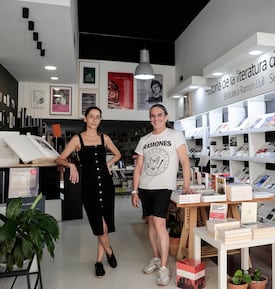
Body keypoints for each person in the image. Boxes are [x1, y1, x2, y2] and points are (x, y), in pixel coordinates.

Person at [55, 106, 121, 278]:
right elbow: (59, 159)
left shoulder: (104, 138)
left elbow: (118, 154)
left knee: (104, 226)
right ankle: (110, 252)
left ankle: (98, 261)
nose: (94, 120)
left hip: (106, 186)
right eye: (91, 116)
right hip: (89, 188)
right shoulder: (78, 139)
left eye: (97, 117)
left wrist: (109, 164)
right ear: (85, 119)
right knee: (100, 226)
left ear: (100, 119)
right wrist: (71, 165)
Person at [131, 103, 192, 286]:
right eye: (152, 115)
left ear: (165, 117)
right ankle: (156, 258)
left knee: (159, 222)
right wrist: (134, 190)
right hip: (145, 187)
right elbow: (139, 168)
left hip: (164, 187)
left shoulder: (175, 135)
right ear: (150, 118)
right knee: (151, 222)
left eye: (159, 115)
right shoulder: (144, 139)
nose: (156, 118)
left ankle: (164, 268)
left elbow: (185, 162)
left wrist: (186, 185)